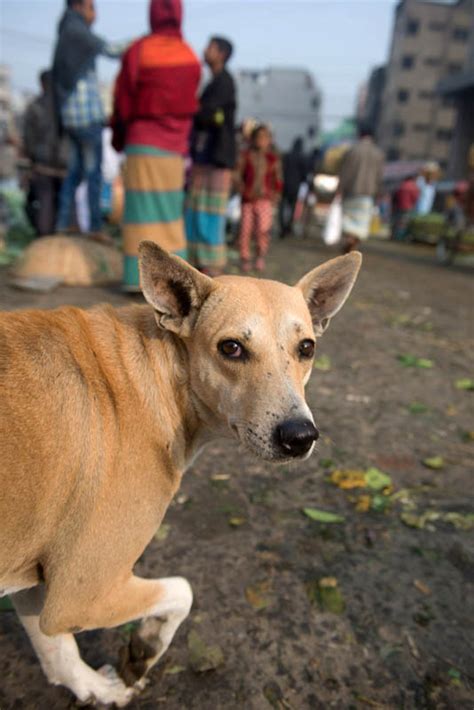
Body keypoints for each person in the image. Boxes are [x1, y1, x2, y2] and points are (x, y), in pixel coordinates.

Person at [111, 0, 200, 290]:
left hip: (142, 144)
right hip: (174, 149)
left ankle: (136, 279)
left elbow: (123, 98)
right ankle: (177, 285)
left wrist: (118, 137)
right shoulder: (189, 56)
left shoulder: (139, 51)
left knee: (139, 212)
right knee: (170, 214)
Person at [52, 0, 127, 239]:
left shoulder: (66, 30)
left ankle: (63, 223)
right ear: (79, 5)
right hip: (86, 116)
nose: (94, 13)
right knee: (93, 174)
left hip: (71, 117)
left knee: (74, 172)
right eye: (91, 6)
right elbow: (111, 50)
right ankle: (95, 227)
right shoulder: (77, 31)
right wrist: (140, 42)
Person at [185, 36, 237, 276]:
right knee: (197, 207)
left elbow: (209, 114)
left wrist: (194, 110)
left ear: (221, 54)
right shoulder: (213, 82)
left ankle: (211, 265)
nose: (204, 50)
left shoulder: (224, 83)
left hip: (217, 157)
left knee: (210, 212)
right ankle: (198, 261)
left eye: (210, 47)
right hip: (204, 157)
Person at [23, 70, 68, 236]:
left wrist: (32, 159)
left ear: (41, 84)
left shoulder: (35, 106)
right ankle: (62, 239)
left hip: (43, 166)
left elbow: (28, 137)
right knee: (64, 205)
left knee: (45, 204)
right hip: (65, 167)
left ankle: (45, 239)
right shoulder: (66, 105)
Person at [236, 124, 282, 273]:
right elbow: (237, 175)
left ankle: (260, 256)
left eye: (264, 138)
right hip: (247, 200)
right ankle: (245, 258)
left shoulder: (272, 159)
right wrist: (242, 189)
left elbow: (278, 179)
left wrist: (275, 195)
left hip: (265, 200)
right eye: (258, 137)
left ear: (269, 140)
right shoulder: (245, 156)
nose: (261, 141)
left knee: (263, 229)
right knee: (245, 229)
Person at [338, 124, 384, 253]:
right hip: (368, 194)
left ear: (360, 134)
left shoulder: (352, 150)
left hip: (351, 192)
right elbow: (380, 177)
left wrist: (339, 189)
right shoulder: (378, 153)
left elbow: (345, 172)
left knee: (348, 219)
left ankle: (349, 240)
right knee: (362, 222)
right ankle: (354, 243)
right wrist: (379, 193)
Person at [279, 137, 307, 238]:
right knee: (292, 206)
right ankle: (288, 226)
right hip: (296, 186)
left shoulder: (287, 155)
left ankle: (283, 226)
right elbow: (304, 174)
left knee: (282, 206)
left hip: (285, 184)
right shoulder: (302, 157)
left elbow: (281, 169)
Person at [390, 173, 419, 241]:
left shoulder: (401, 185)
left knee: (397, 221)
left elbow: (394, 196)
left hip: (399, 206)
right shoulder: (414, 187)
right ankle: (400, 237)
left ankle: (394, 236)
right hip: (408, 207)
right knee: (404, 223)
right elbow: (415, 198)